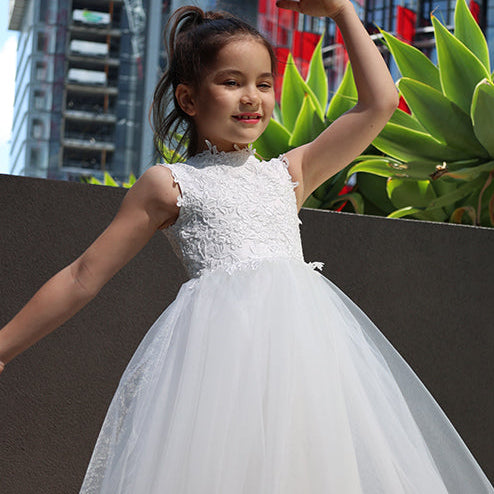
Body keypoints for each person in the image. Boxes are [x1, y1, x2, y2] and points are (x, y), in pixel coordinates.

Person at [0, 1, 492, 492]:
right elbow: (83, 274)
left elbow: (378, 104)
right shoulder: (169, 185)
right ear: (189, 99)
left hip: (306, 366)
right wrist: (3, 348)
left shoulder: (290, 173)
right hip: (219, 371)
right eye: (231, 82)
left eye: (264, 83)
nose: (251, 97)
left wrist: (343, 11)